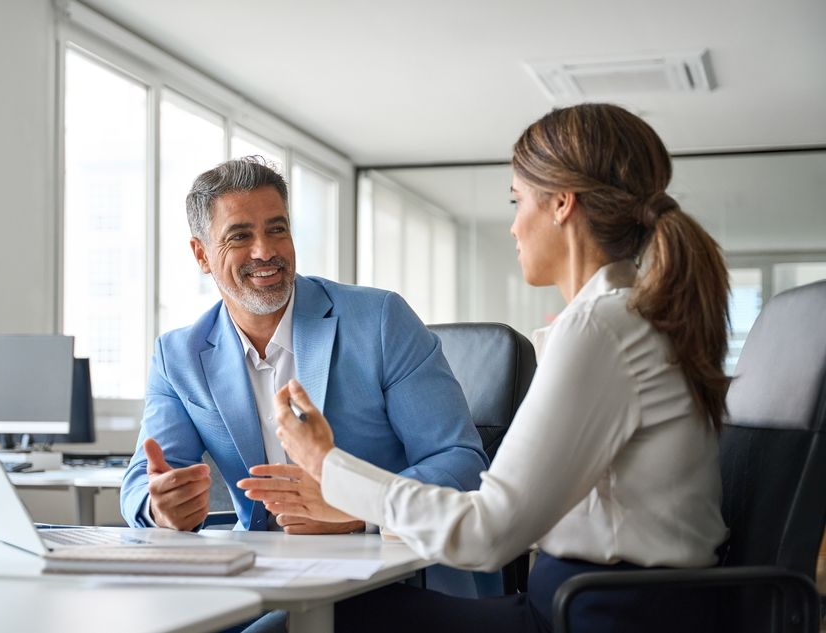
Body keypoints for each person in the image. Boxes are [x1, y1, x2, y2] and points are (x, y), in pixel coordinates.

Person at [267, 104, 731, 632]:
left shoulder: (602, 329)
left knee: (338, 620)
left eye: (518, 200)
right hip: (598, 604)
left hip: (599, 616)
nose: (513, 226)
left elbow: (488, 532)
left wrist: (328, 468)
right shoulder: (624, 318)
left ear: (561, 204)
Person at [119, 156, 490, 595]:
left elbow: (461, 461)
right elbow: (144, 477)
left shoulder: (380, 320)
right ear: (201, 254)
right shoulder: (178, 354)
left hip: (392, 575)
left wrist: (356, 510)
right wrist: (161, 507)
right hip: (260, 578)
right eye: (240, 235)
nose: (265, 251)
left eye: (277, 228)